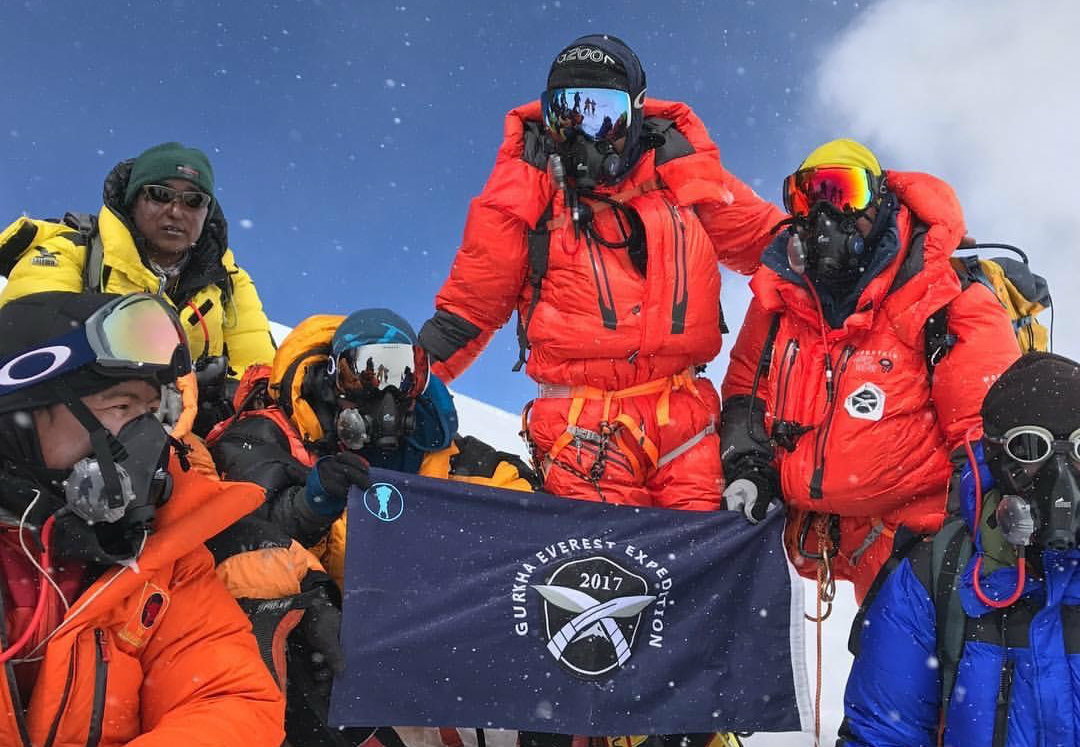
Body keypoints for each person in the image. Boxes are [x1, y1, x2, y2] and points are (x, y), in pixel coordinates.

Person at [418, 33, 785, 510]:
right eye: (565, 114)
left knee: (705, 568)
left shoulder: (683, 174)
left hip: (688, 423)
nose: (581, 133)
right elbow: (468, 311)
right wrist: (398, 381)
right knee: (601, 574)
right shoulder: (524, 191)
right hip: (580, 429)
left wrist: (884, 238)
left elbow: (776, 248)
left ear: (635, 111)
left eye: (601, 113)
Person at [206, 307, 538, 747]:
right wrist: (312, 504)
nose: (383, 394)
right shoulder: (271, 437)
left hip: (426, 648)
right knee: (287, 625)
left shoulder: (451, 456)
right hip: (333, 654)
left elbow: (533, 522)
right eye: (362, 373)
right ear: (331, 378)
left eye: (404, 376)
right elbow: (240, 533)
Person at [720, 138, 1021, 602]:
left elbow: (984, 429)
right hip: (820, 535)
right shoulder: (780, 295)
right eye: (808, 196)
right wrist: (749, 466)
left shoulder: (943, 294)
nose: (825, 214)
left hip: (918, 544)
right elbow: (746, 388)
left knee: (904, 670)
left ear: (881, 202)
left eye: (844, 192)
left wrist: (976, 541)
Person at [0, 290, 284, 746]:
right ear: (23, 412)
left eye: (151, 413)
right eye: (120, 407)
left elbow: (230, 700)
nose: (146, 440)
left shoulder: (162, 554)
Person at [839, 352, 1080, 747]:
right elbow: (882, 734)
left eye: (1078, 449)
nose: (1061, 478)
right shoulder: (938, 574)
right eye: (1030, 448)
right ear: (997, 456)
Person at [0, 141, 276, 435]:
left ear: (206, 212)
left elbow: (262, 377)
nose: (175, 210)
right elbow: (28, 344)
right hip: (76, 432)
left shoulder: (227, 282)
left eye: (193, 200)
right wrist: (161, 378)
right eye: (159, 195)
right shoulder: (69, 251)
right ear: (133, 201)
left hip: (188, 443)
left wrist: (219, 396)